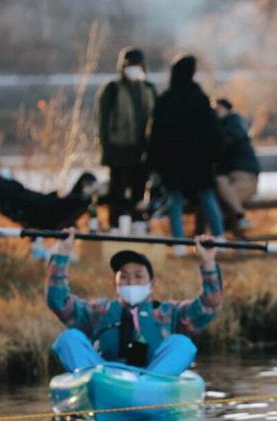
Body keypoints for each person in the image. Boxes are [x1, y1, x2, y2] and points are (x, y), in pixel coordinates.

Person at [46, 229, 222, 375]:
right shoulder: (98, 311)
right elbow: (58, 300)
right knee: (69, 338)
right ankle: (89, 382)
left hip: (153, 379)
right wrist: (62, 254)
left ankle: (153, 386)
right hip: (104, 379)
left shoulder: (169, 313)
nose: (131, 282)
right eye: (124, 276)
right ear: (114, 283)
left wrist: (208, 262)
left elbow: (208, 306)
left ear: (152, 284)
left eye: (138, 276)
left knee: (182, 344)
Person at [148, 54, 224, 251]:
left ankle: (179, 244)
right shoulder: (200, 99)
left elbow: (156, 134)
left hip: (173, 160)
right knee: (207, 196)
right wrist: (215, 156)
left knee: (175, 200)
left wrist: (155, 161)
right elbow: (213, 131)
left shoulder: (166, 100)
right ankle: (220, 238)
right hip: (200, 160)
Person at [95, 47, 156, 229]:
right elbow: (102, 124)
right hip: (118, 151)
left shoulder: (149, 89)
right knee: (117, 193)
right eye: (130, 65)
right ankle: (115, 227)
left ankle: (139, 226)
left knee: (139, 191)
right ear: (122, 66)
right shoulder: (111, 89)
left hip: (143, 152)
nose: (133, 69)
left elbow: (157, 120)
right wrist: (106, 152)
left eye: (137, 65)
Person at [214, 97, 260, 233]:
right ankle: (240, 218)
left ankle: (235, 224)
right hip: (230, 180)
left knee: (221, 200)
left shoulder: (233, 125)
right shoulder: (230, 125)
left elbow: (224, 144)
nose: (216, 112)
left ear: (227, 109)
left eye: (218, 109)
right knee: (218, 188)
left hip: (246, 178)